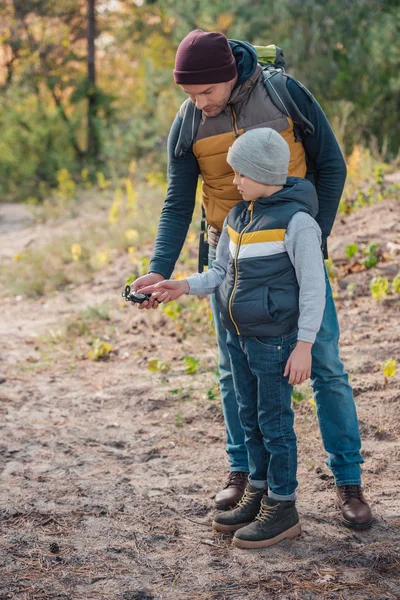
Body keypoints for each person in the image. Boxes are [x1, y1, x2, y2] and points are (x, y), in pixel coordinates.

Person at [133, 29, 372, 530]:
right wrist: (161, 267)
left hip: (290, 252)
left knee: (324, 364)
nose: (198, 103)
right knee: (234, 370)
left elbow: (331, 166)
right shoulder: (189, 120)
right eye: (190, 95)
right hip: (231, 257)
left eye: (206, 93)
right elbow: (179, 201)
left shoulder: (283, 93)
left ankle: (349, 483)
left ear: (230, 75)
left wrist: (310, 244)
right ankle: (247, 474)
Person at [140, 128, 326, 548]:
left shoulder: (297, 223)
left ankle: (283, 506)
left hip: (277, 342)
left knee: (275, 424)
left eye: (240, 174)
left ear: (262, 173)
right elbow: (221, 273)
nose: (234, 182)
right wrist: (182, 284)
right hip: (240, 339)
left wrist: (304, 345)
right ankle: (259, 492)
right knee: (250, 418)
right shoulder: (238, 218)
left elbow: (314, 287)